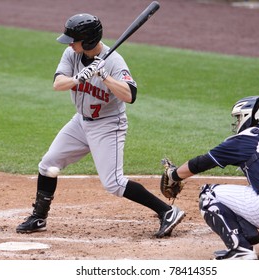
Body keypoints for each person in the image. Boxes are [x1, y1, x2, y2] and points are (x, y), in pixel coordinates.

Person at [16, 13, 185, 238]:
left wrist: (105, 76)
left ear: (87, 40)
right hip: (80, 122)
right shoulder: (70, 54)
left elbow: (130, 95)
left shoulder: (114, 62)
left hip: (108, 125)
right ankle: (39, 217)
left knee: (114, 183)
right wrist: (79, 78)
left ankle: (167, 211)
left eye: (73, 39)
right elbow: (58, 84)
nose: (69, 44)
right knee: (48, 164)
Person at [164, 95, 259, 259]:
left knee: (209, 193)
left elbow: (201, 163)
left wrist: (173, 175)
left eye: (238, 118)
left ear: (249, 116)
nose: (237, 123)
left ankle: (241, 250)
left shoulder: (244, 139)